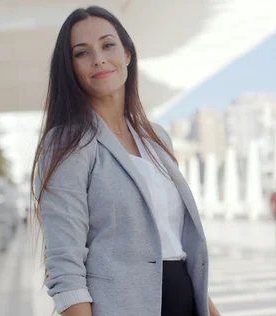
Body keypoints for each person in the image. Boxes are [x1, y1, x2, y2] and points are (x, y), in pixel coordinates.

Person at [30, 6, 220, 316]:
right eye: (81, 53)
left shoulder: (156, 138)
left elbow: (178, 246)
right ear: (70, 67)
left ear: (127, 54)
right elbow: (65, 268)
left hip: (185, 301)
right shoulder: (67, 144)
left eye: (107, 45)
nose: (98, 59)